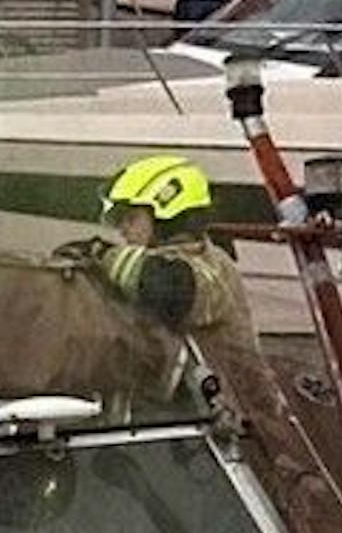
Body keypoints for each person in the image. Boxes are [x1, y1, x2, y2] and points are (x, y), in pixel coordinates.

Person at [94, 155, 262, 379]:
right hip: (187, 406)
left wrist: (101, 255)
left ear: (167, 214)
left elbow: (171, 289)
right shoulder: (161, 263)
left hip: (236, 410)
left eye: (131, 219)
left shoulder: (211, 266)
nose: (123, 231)